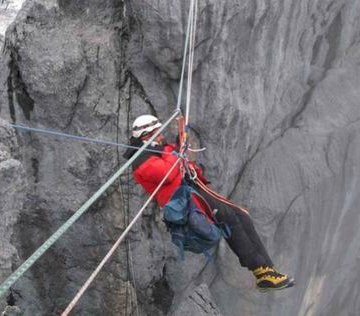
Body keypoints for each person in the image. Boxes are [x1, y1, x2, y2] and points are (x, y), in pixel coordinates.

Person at [123, 114, 294, 292]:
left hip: (192, 191)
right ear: (146, 136)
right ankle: (260, 270)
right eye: (157, 133)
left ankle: (268, 271)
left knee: (241, 216)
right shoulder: (142, 160)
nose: (160, 136)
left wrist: (180, 139)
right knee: (228, 218)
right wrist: (175, 152)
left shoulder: (155, 151)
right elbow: (168, 172)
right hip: (185, 200)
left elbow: (173, 155)